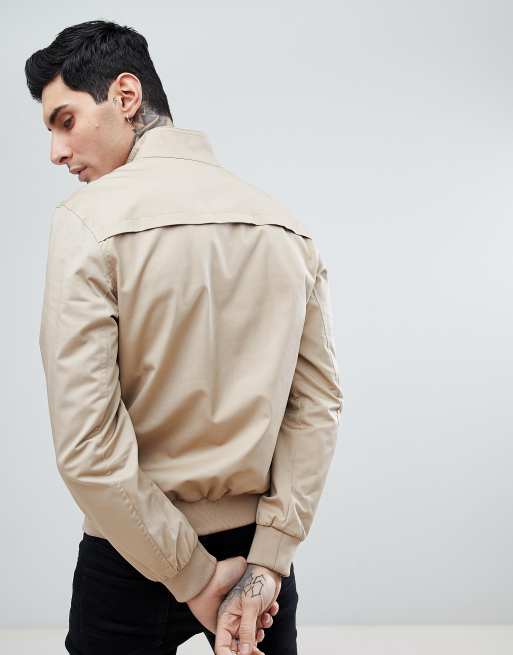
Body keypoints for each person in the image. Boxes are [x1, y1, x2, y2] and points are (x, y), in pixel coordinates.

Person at [25, 19, 343, 655]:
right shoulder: (284, 227)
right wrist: (266, 563)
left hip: (131, 561)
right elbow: (317, 407)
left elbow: (87, 446)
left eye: (65, 121)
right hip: (257, 569)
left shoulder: (87, 223)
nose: (56, 152)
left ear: (125, 95)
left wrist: (193, 578)